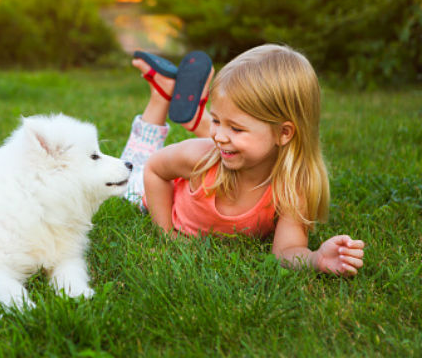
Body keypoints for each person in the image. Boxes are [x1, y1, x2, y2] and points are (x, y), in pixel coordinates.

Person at [121, 44, 365, 276]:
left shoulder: (292, 187)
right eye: (215, 121)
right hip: (153, 192)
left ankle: (191, 112)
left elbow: (285, 252)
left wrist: (316, 259)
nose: (218, 135)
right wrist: (165, 233)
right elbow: (153, 168)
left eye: (236, 128)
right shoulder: (200, 157)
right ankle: (161, 95)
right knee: (132, 170)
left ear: (284, 133)